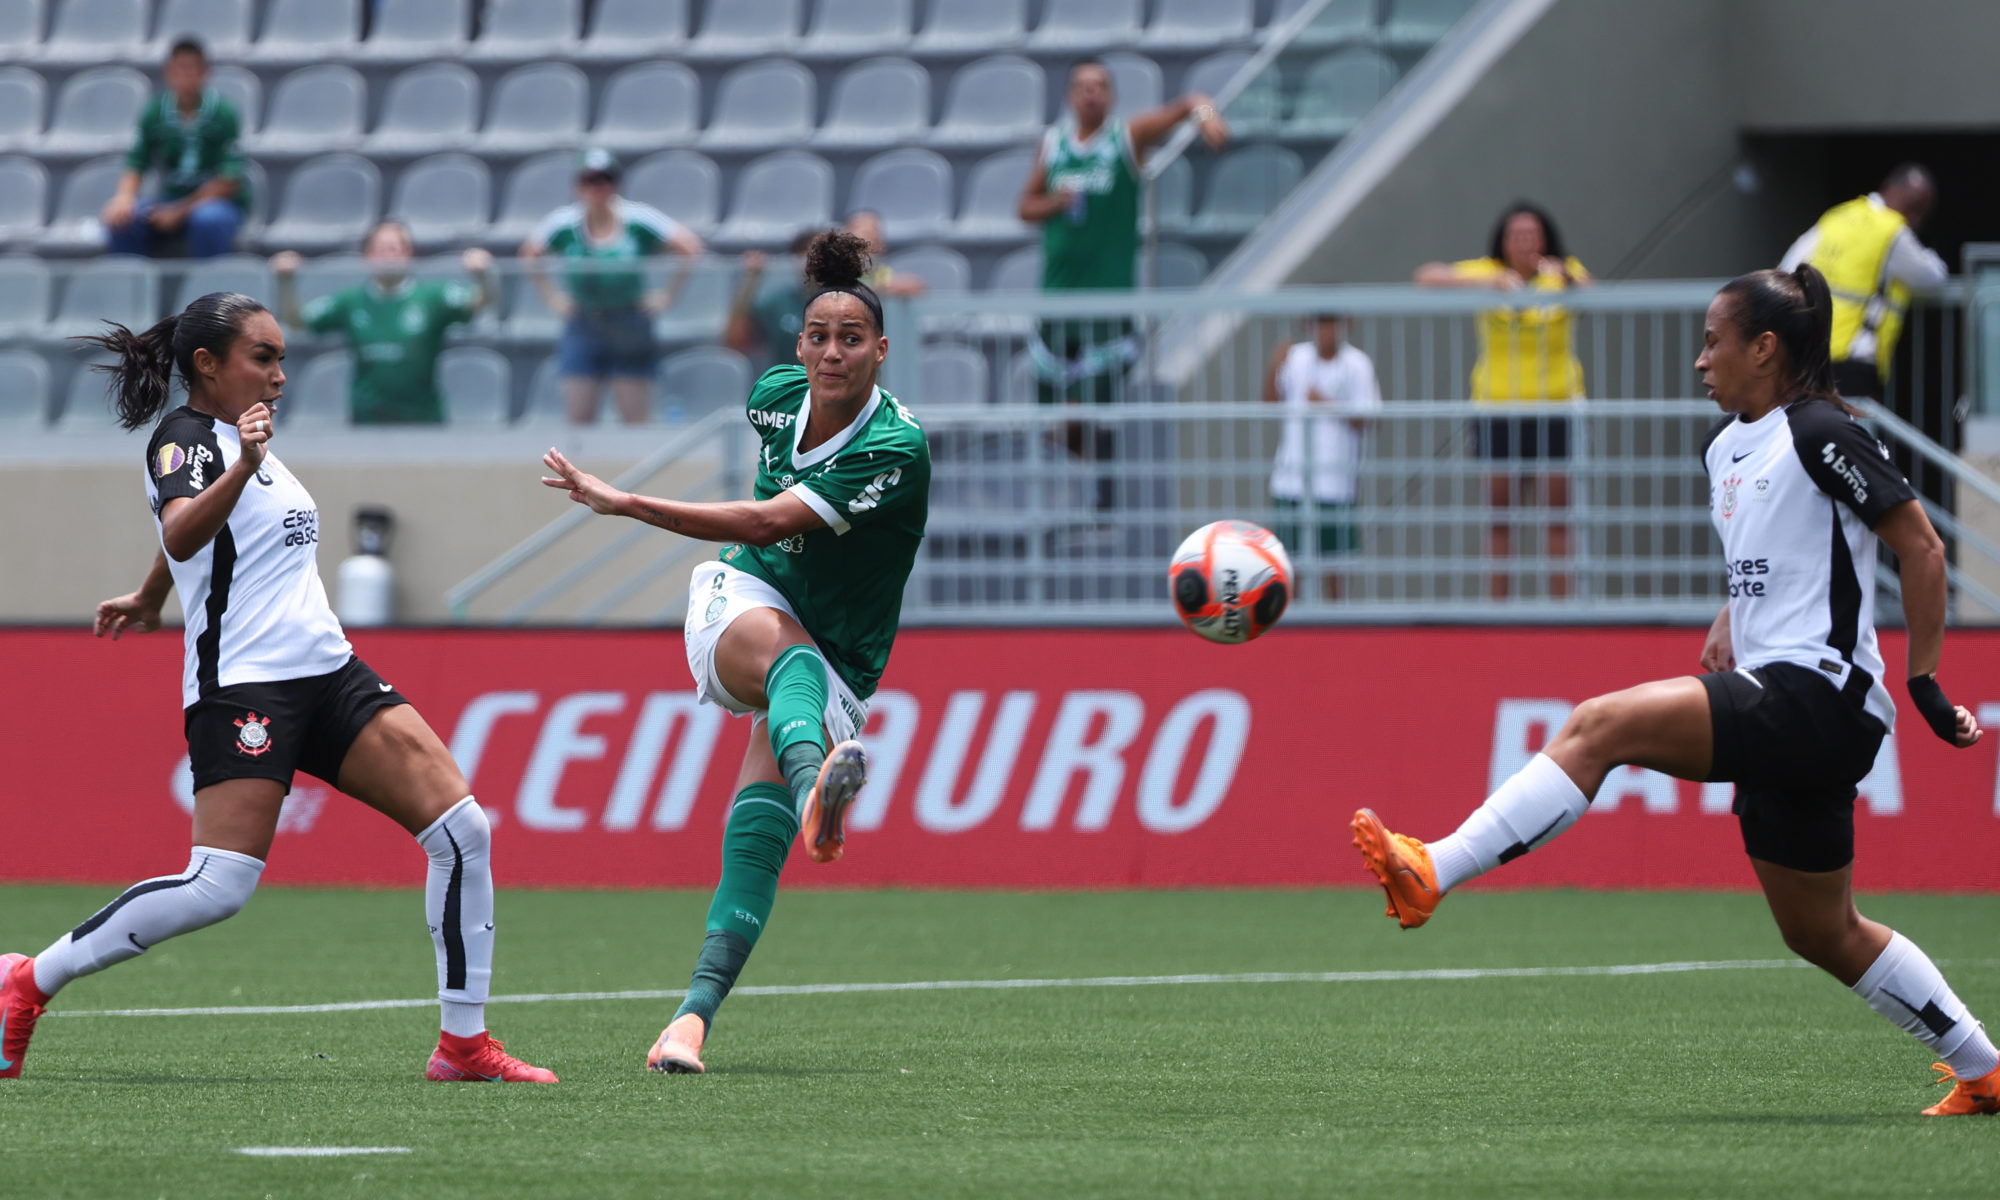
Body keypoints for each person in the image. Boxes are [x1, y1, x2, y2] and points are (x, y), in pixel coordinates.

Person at [1351, 265, 2000, 1118]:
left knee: (1596, 727)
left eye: (1713, 341)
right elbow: (1782, 555)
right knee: (1820, 930)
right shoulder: (1726, 445)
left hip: (1822, 696)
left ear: (1764, 349)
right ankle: (1985, 1070)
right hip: (1782, 691)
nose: (1700, 361)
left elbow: (1922, 547)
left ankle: (1434, 868)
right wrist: (1731, 613)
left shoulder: (1821, 429)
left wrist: (1921, 681)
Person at [0, 293, 553, 1085]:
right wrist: (241, 474)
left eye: (282, 357)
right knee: (217, 885)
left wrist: (153, 593)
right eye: (263, 357)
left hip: (328, 671)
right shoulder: (187, 439)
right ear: (208, 364)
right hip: (245, 686)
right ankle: (24, 981)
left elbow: (203, 542)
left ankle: (463, 1047)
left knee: (462, 831)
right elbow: (185, 525)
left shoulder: (245, 435)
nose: (281, 375)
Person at [538, 231, 930, 1076]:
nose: (832, 352)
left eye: (852, 339)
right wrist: (630, 504)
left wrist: (627, 501)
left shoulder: (896, 449)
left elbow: (769, 515)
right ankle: (816, 780)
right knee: (786, 665)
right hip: (739, 599)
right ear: (800, 346)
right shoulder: (774, 396)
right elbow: (756, 538)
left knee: (757, 844)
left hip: (844, 657)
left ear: (882, 351)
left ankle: (689, 1022)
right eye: (819, 336)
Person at [1017, 59, 1230, 408]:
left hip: (1108, 307)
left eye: (1099, 86)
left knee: (1093, 421)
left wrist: (1206, 114)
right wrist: (1056, 202)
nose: (1091, 94)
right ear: (1070, 96)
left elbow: (1188, 104)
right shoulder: (1053, 145)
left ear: (1112, 96)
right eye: (1083, 87)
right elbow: (1025, 207)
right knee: (1054, 422)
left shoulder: (1125, 138)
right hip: (1057, 301)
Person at [1416, 202, 1591, 600]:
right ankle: (1497, 609)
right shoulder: (1488, 271)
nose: (1525, 242)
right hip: (1497, 409)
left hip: (1555, 408)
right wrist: (1487, 284)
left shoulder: (1563, 272)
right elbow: (1426, 277)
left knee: (1558, 516)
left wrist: (1564, 275)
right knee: (1499, 515)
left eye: (1533, 234)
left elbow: (1596, 292)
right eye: (1517, 235)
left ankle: (1563, 609)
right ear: (1503, 240)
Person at [523, 148, 704, 424]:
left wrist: (667, 297)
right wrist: (552, 298)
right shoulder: (564, 223)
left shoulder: (637, 218)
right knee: (578, 421)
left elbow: (689, 247)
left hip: (629, 323)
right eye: (590, 180)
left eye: (605, 179)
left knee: (634, 419)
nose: (598, 187)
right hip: (584, 322)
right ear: (578, 185)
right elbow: (530, 253)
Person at [270, 221, 495, 425]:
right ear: (367, 255)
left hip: (423, 419)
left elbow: (480, 303)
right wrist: (285, 282)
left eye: (397, 248)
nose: (390, 255)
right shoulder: (351, 301)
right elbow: (297, 322)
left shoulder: (432, 297)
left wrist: (483, 275)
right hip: (367, 418)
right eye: (381, 249)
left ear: (410, 254)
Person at [1779, 164, 1947, 403]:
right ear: (1888, 188)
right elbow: (1932, 278)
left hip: (1809, 351)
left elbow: (1787, 268)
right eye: (1913, 208)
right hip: (1853, 359)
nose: (1915, 219)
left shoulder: (1838, 216)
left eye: (1921, 212)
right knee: (1848, 435)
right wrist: (1931, 256)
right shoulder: (1891, 230)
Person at [1263, 313, 1381, 600]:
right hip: (1292, 476)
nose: (1326, 331)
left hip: (1336, 481)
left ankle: (1337, 625)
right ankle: (1291, 625)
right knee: (1290, 561)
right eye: (1320, 323)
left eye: (1332, 323)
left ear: (1346, 325)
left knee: (1337, 563)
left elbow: (1369, 418)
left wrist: (1328, 404)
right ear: (1309, 325)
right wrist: (1272, 368)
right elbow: (1268, 404)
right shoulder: (1295, 357)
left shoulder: (1357, 364)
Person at [102, 37, 248, 260]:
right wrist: (124, 197)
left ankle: (211, 290)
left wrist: (179, 211)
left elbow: (228, 181)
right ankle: (131, 289)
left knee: (209, 220)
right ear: (168, 73)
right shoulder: (155, 112)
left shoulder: (223, 113)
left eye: (192, 69)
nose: (186, 76)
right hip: (171, 197)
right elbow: (136, 161)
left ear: (204, 73)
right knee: (125, 219)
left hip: (214, 204)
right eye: (180, 69)